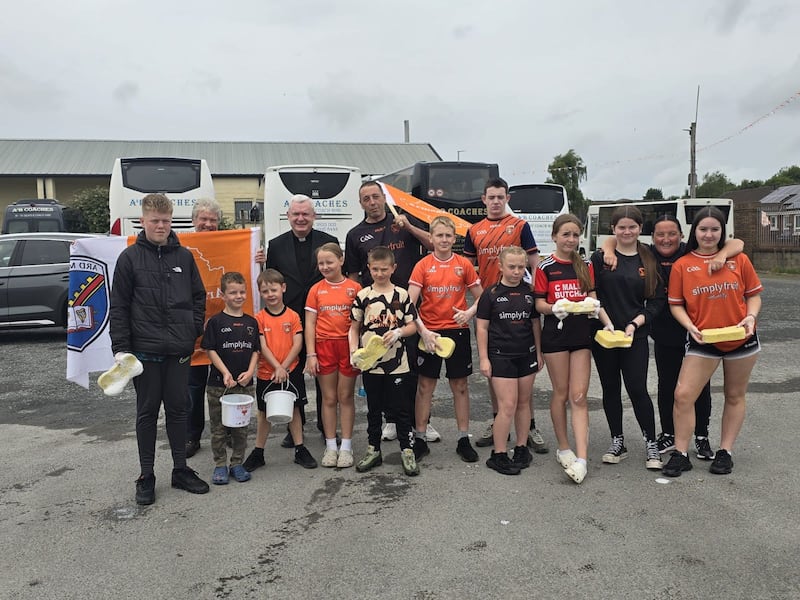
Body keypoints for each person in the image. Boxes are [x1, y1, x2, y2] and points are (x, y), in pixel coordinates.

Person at [601, 215, 744, 460]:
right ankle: (668, 432)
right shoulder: (648, 254)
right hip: (663, 329)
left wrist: (722, 255)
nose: (666, 239)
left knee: (700, 387)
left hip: (696, 329)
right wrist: (607, 248)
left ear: (681, 235)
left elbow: (736, 243)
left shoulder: (689, 251)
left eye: (672, 234)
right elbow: (614, 238)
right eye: (660, 234)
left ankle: (701, 436)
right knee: (667, 384)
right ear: (652, 237)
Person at [109, 193, 209, 505]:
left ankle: (180, 470)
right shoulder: (129, 258)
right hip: (145, 352)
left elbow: (198, 297)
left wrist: (192, 330)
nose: (161, 226)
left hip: (178, 350)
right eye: (155, 221)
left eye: (166, 221)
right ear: (143, 221)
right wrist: (121, 349)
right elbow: (119, 307)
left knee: (180, 410)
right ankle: (146, 475)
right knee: (147, 413)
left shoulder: (185, 257)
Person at [662, 207, 762, 477]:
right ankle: (681, 454)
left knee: (734, 395)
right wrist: (690, 326)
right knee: (683, 396)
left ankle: (725, 451)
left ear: (722, 231)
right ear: (694, 232)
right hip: (703, 339)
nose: (708, 234)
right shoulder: (683, 264)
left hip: (741, 339)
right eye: (703, 229)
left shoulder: (738, 259)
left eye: (714, 229)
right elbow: (676, 304)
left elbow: (754, 295)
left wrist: (751, 317)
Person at [344, 181, 438, 443]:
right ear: (360, 203)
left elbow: (433, 245)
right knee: (381, 367)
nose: (372, 202)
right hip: (375, 312)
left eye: (376, 197)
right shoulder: (355, 235)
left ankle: (421, 422)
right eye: (366, 199)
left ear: (383, 200)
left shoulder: (401, 223)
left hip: (407, 306)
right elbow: (353, 276)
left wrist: (408, 226)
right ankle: (391, 419)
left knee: (411, 370)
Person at [464, 177, 547, 454]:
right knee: (494, 373)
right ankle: (497, 420)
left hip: (520, 302)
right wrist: (475, 303)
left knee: (524, 372)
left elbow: (534, 263)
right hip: (490, 304)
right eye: (492, 197)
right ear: (483, 199)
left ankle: (530, 426)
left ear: (507, 198)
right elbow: (470, 270)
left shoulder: (520, 226)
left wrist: (535, 294)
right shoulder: (474, 230)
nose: (496, 201)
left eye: (501, 197)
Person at [535, 214, 613, 484]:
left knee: (579, 396)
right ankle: (564, 447)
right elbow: (539, 305)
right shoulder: (546, 266)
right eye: (565, 234)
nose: (570, 239)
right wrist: (554, 307)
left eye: (575, 235)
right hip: (555, 338)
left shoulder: (585, 265)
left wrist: (601, 315)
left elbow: (592, 297)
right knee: (561, 393)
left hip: (581, 336)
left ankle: (581, 459)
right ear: (554, 236)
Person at [186, 198, 265, 458]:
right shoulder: (183, 245)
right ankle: (192, 436)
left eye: (212, 220)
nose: (208, 224)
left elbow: (251, 275)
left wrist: (258, 259)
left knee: (230, 381)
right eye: (203, 219)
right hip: (195, 328)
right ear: (194, 221)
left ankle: (231, 432)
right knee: (195, 388)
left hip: (231, 328)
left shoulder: (230, 244)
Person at [591, 205, 665, 471]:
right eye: (621, 227)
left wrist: (636, 323)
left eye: (632, 227)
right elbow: (592, 294)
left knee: (637, 389)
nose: (626, 231)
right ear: (613, 230)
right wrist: (606, 322)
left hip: (635, 335)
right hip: (604, 335)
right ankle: (617, 441)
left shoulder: (649, 257)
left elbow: (657, 302)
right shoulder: (600, 258)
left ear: (639, 229)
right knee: (610, 388)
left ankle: (651, 443)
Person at [407, 216, 483, 463]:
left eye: (448, 236)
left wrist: (470, 312)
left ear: (455, 238)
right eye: (439, 235)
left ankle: (463, 438)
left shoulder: (463, 264)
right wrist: (423, 332)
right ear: (431, 238)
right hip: (429, 333)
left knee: (459, 386)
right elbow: (409, 304)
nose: (443, 240)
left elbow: (483, 298)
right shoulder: (422, 265)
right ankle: (420, 438)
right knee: (424, 386)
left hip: (457, 331)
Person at [265, 194, 338, 447]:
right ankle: (295, 426)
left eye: (305, 214)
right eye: (295, 214)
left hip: (324, 319)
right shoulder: (275, 245)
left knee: (324, 373)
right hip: (291, 320)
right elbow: (271, 279)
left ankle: (324, 424)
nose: (300, 218)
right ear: (288, 216)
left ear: (314, 216)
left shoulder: (329, 242)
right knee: (292, 373)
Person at [349, 246, 420, 476]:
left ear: (393, 268)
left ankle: (407, 450)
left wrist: (399, 332)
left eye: (384, 269)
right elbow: (353, 328)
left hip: (398, 363)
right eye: (375, 269)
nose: (380, 273)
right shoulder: (363, 295)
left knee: (401, 410)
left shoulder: (402, 294)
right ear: (368, 268)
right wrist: (354, 352)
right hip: (371, 364)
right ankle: (373, 449)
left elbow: (412, 325)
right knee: (373, 410)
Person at [476, 246, 543, 475]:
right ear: (501, 266)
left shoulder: (529, 292)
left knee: (524, 403)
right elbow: (482, 327)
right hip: (500, 356)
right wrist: (484, 359)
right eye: (512, 267)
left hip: (526, 354)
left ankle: (522, 448)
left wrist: (539, 352)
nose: (516, 271)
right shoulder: (491, 293)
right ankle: (499, 453)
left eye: (521, 267)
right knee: (507, 406)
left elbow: (535, 323)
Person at [243, 269, 318, 472]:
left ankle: (300, 449)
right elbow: (262, 346)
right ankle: (258, 452)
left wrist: (284, 367)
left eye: (274, 289)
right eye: (265, 291)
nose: (271, 294)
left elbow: (298, 343)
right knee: (264, 412)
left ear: (283, 288)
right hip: (268, 372)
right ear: (260, 292)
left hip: (290, 371)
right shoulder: (258, 319)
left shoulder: (293, 316)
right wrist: (276, 367)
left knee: (294, 410)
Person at [305, 242, 362, 468]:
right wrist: (311, 354)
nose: (325, 266)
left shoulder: (355, 288)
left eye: (330, 262)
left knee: (345, 397)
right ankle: (331, 446)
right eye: (321, 263)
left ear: (341, 260)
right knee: (328, 398)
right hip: (324, 347)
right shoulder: (316, 290)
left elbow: (361, 322)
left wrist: (359, 350)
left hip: (348, 347)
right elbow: (309, 323)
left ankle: (346, 447)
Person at [200, 271, 260, 485]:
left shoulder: (252, 322)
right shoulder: (216, 322)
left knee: (241, 429)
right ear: (223, 295)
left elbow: (255, 350)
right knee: (218, 428)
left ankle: (237, 463)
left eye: (242, 292)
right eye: (233, 292)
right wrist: (225, 372)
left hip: (244, 387)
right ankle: (220, 465)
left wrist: (250, 372)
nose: (238, 296)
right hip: (219, 386)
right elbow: (210, 350)